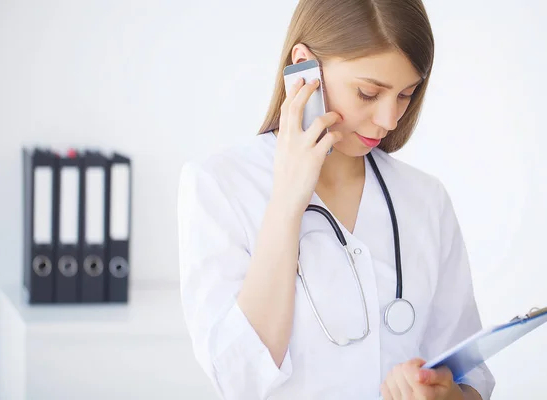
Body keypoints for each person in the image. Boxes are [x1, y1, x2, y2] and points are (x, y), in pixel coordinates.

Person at [177, 0, 496, 399]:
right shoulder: (220, 186)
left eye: (405, 95)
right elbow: (239, 379)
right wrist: (287, 202)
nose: (389, 120)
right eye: (367, 93)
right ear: (304, 68)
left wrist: (449, 396)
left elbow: (471, 376)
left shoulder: (426, 199)